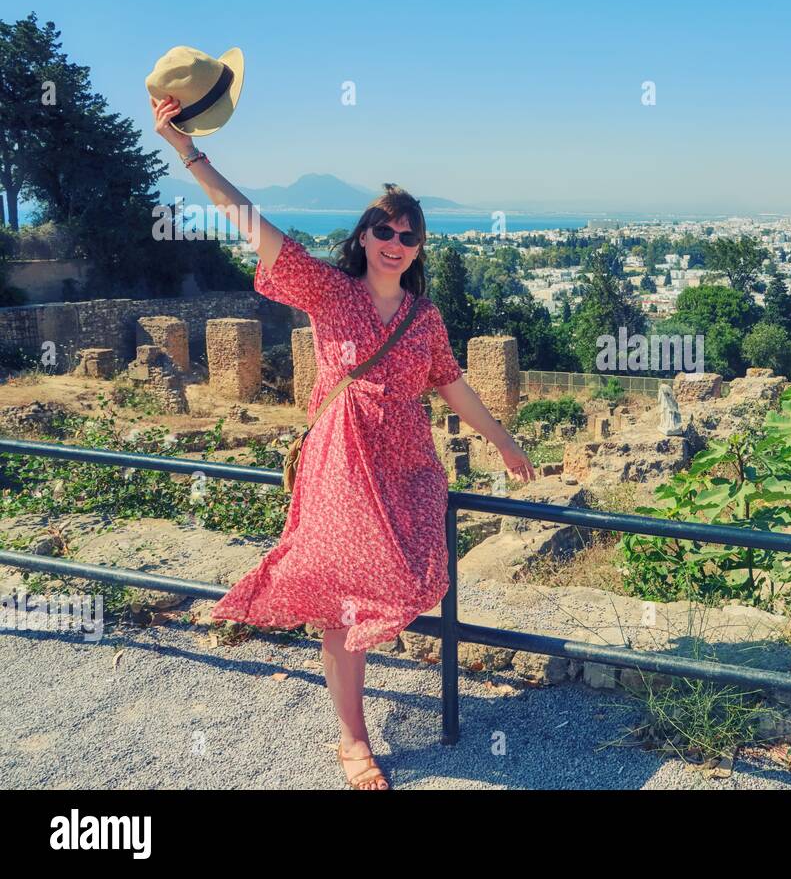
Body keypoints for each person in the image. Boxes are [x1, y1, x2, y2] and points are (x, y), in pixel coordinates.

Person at [150, 94, 535, 789]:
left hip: (404, 465)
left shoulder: (426, 318)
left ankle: (354, 717)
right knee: (342, 600)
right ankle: (352, 740)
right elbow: (253, 224)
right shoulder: (329, 292)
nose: (395, 242)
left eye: (409, 235)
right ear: (363, 236)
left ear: (420, 249)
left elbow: (454, 388)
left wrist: (504, 442)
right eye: (384, 229)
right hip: (340, 462)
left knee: (404, 579)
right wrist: (189, 153)